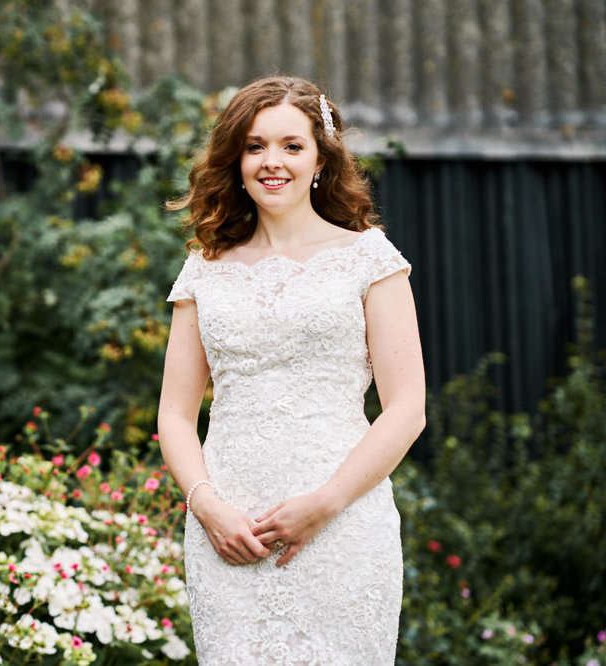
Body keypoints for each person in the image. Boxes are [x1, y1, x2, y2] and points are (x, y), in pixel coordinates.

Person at [157, 76, 426, 664]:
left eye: (291, 146)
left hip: (342, 525)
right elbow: (175, 414)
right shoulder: (205, 270)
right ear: (236, 160)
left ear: (320, 161)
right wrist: (206, 507)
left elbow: (406, 409)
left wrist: (327, 502)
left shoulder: (369, 259)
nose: (271, 161)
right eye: (254, 146)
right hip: (228, 533)